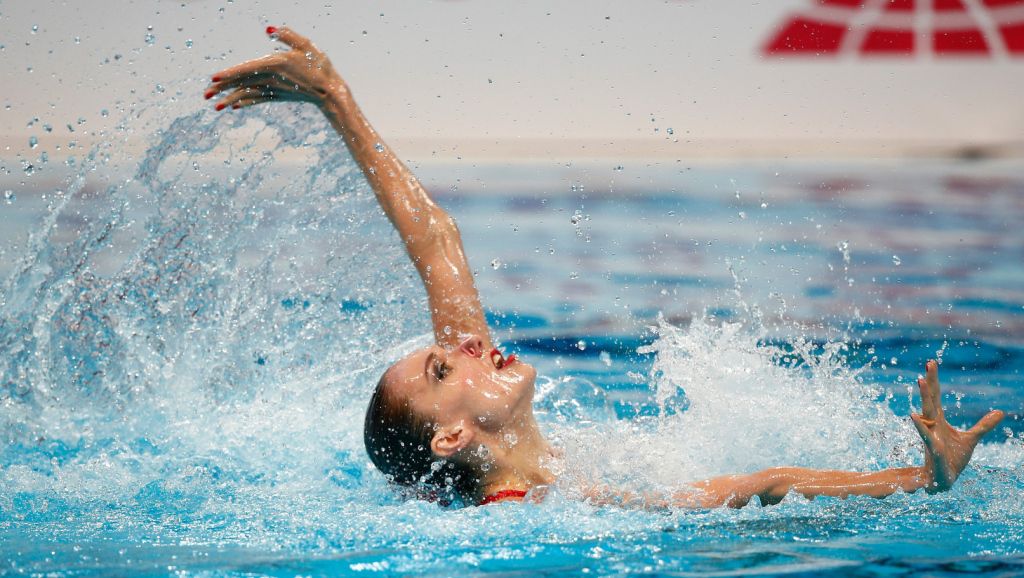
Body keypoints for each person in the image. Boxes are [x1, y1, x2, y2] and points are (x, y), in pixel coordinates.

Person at [206, 27, 1006, 508]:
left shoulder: (490, 430)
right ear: (452, 433)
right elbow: (765, 484)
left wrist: (336, 99)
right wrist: (919, 481)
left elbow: (438, 244)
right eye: (447, 364)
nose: (473, 343)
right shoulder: (548, 505)